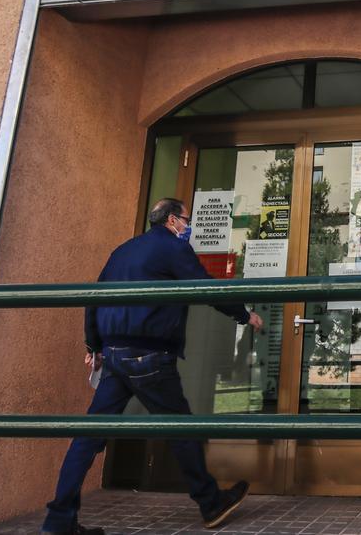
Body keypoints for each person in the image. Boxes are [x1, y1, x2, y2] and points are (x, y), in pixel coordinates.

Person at [41, 198, 264, 535]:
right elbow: (206, 288)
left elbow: (94, 296)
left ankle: (58, 520)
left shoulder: (123, 251)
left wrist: (95, 345)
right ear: (173, 221)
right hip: (149, 356)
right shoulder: (172, 249)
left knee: (87, 437)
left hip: (116, 356)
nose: (188, 227)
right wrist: (243, 314)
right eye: (186, 220)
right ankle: (210, 502)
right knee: (180, 428)